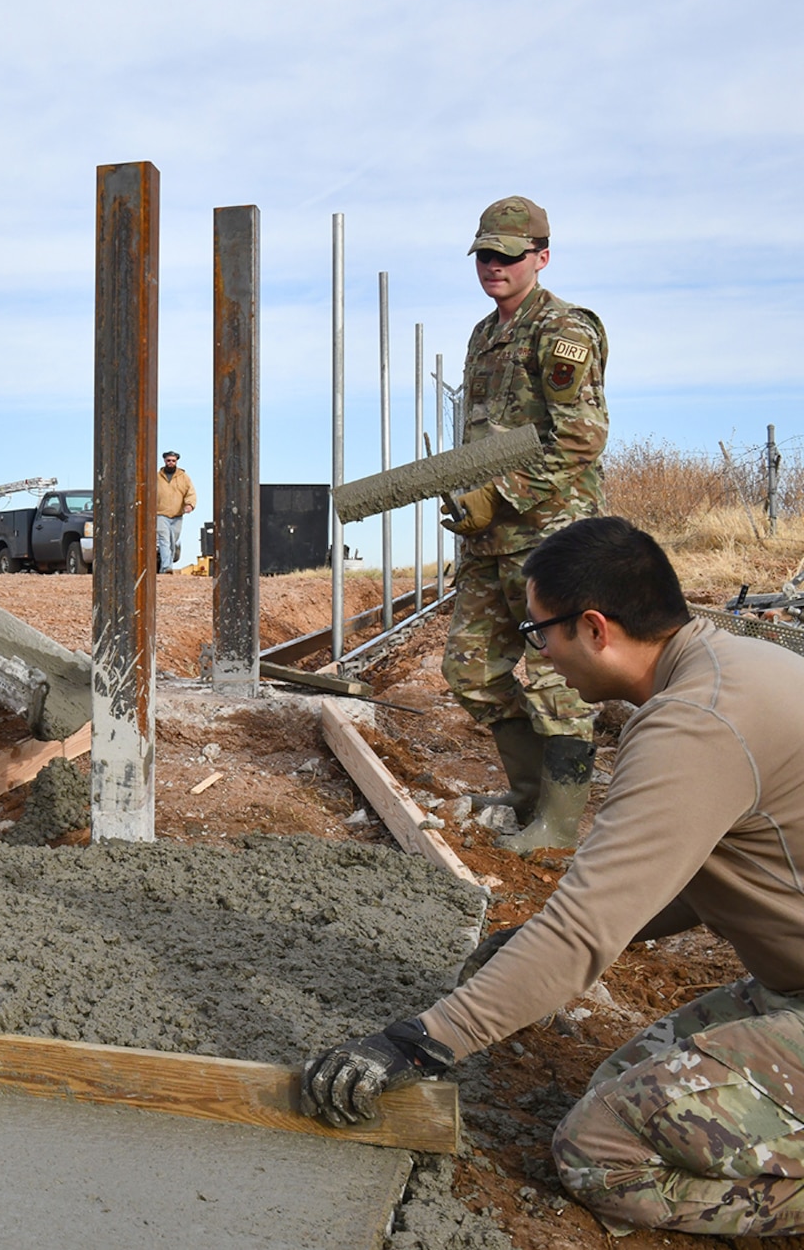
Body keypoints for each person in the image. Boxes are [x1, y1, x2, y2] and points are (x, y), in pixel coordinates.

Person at [301, 516, 804, 1238]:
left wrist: (415, 1042)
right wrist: (535, 939)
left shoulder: (695, 723)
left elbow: (581, 936)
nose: (538, 658)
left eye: (541, 633)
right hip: (786, 986)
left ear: (595, 627)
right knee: (621, 1087)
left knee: (599, 1151)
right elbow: (703, 878)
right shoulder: (734, 669)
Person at [440, 196, 609, 852]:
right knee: (471, 669)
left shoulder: (563, 330)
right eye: (485, 254)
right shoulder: (485, 335)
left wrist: (499, 493)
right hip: (488, 540)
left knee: (554, 675)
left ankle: (561, 826)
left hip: (548, 536)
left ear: (541, 255)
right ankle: (530, 796)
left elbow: (578, 439)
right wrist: (465, 492)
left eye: (508, 255)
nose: (494, 266)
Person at [156, 451, 196, 575]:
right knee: (164, 540)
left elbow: (190, 492)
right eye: (169, 460)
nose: (171, 463)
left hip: (177, 515)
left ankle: (167, 566)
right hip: (161, 514)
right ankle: (166, 567)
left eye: (173, 460)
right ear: (164, 461)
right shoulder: (156, 477)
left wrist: (189, 504)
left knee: (173, 542)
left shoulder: (183, 477)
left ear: (176, 461)